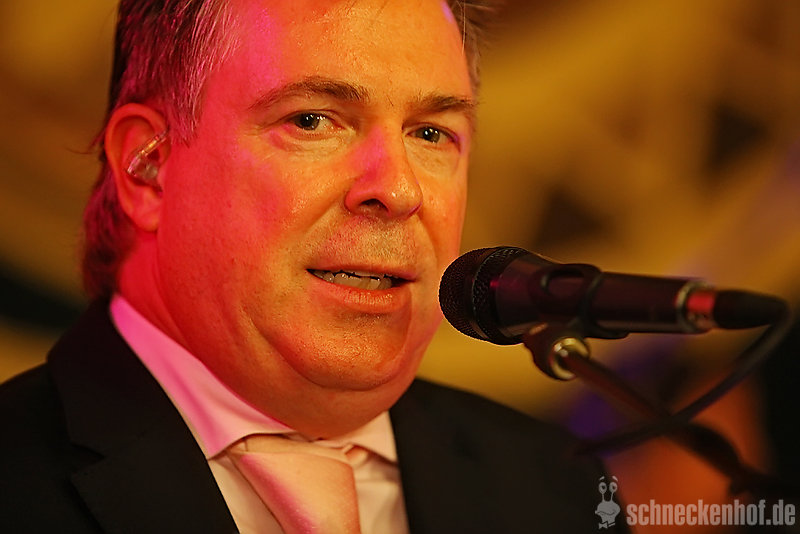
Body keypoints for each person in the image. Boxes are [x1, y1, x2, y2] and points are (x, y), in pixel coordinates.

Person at [0, 0, 618, 532]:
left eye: (431, 133)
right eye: (312, 120)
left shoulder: (556, 489)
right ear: (148, 169)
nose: (398, 190)